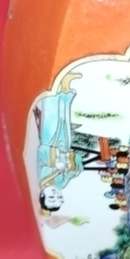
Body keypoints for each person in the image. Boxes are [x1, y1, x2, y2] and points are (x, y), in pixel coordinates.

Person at [35, 71, 83, 213]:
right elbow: (73, 173)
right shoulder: (60, 184)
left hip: (49, 143)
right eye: (58, 198)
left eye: (51, 198)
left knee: (53, 115)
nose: (55, 195)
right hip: (64, 148)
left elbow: (40, 155)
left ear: (42, 195)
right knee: (64, 117)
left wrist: (55, 163)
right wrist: (70, 169)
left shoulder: (41, 179)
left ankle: (53, 81)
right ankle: (66, 84)